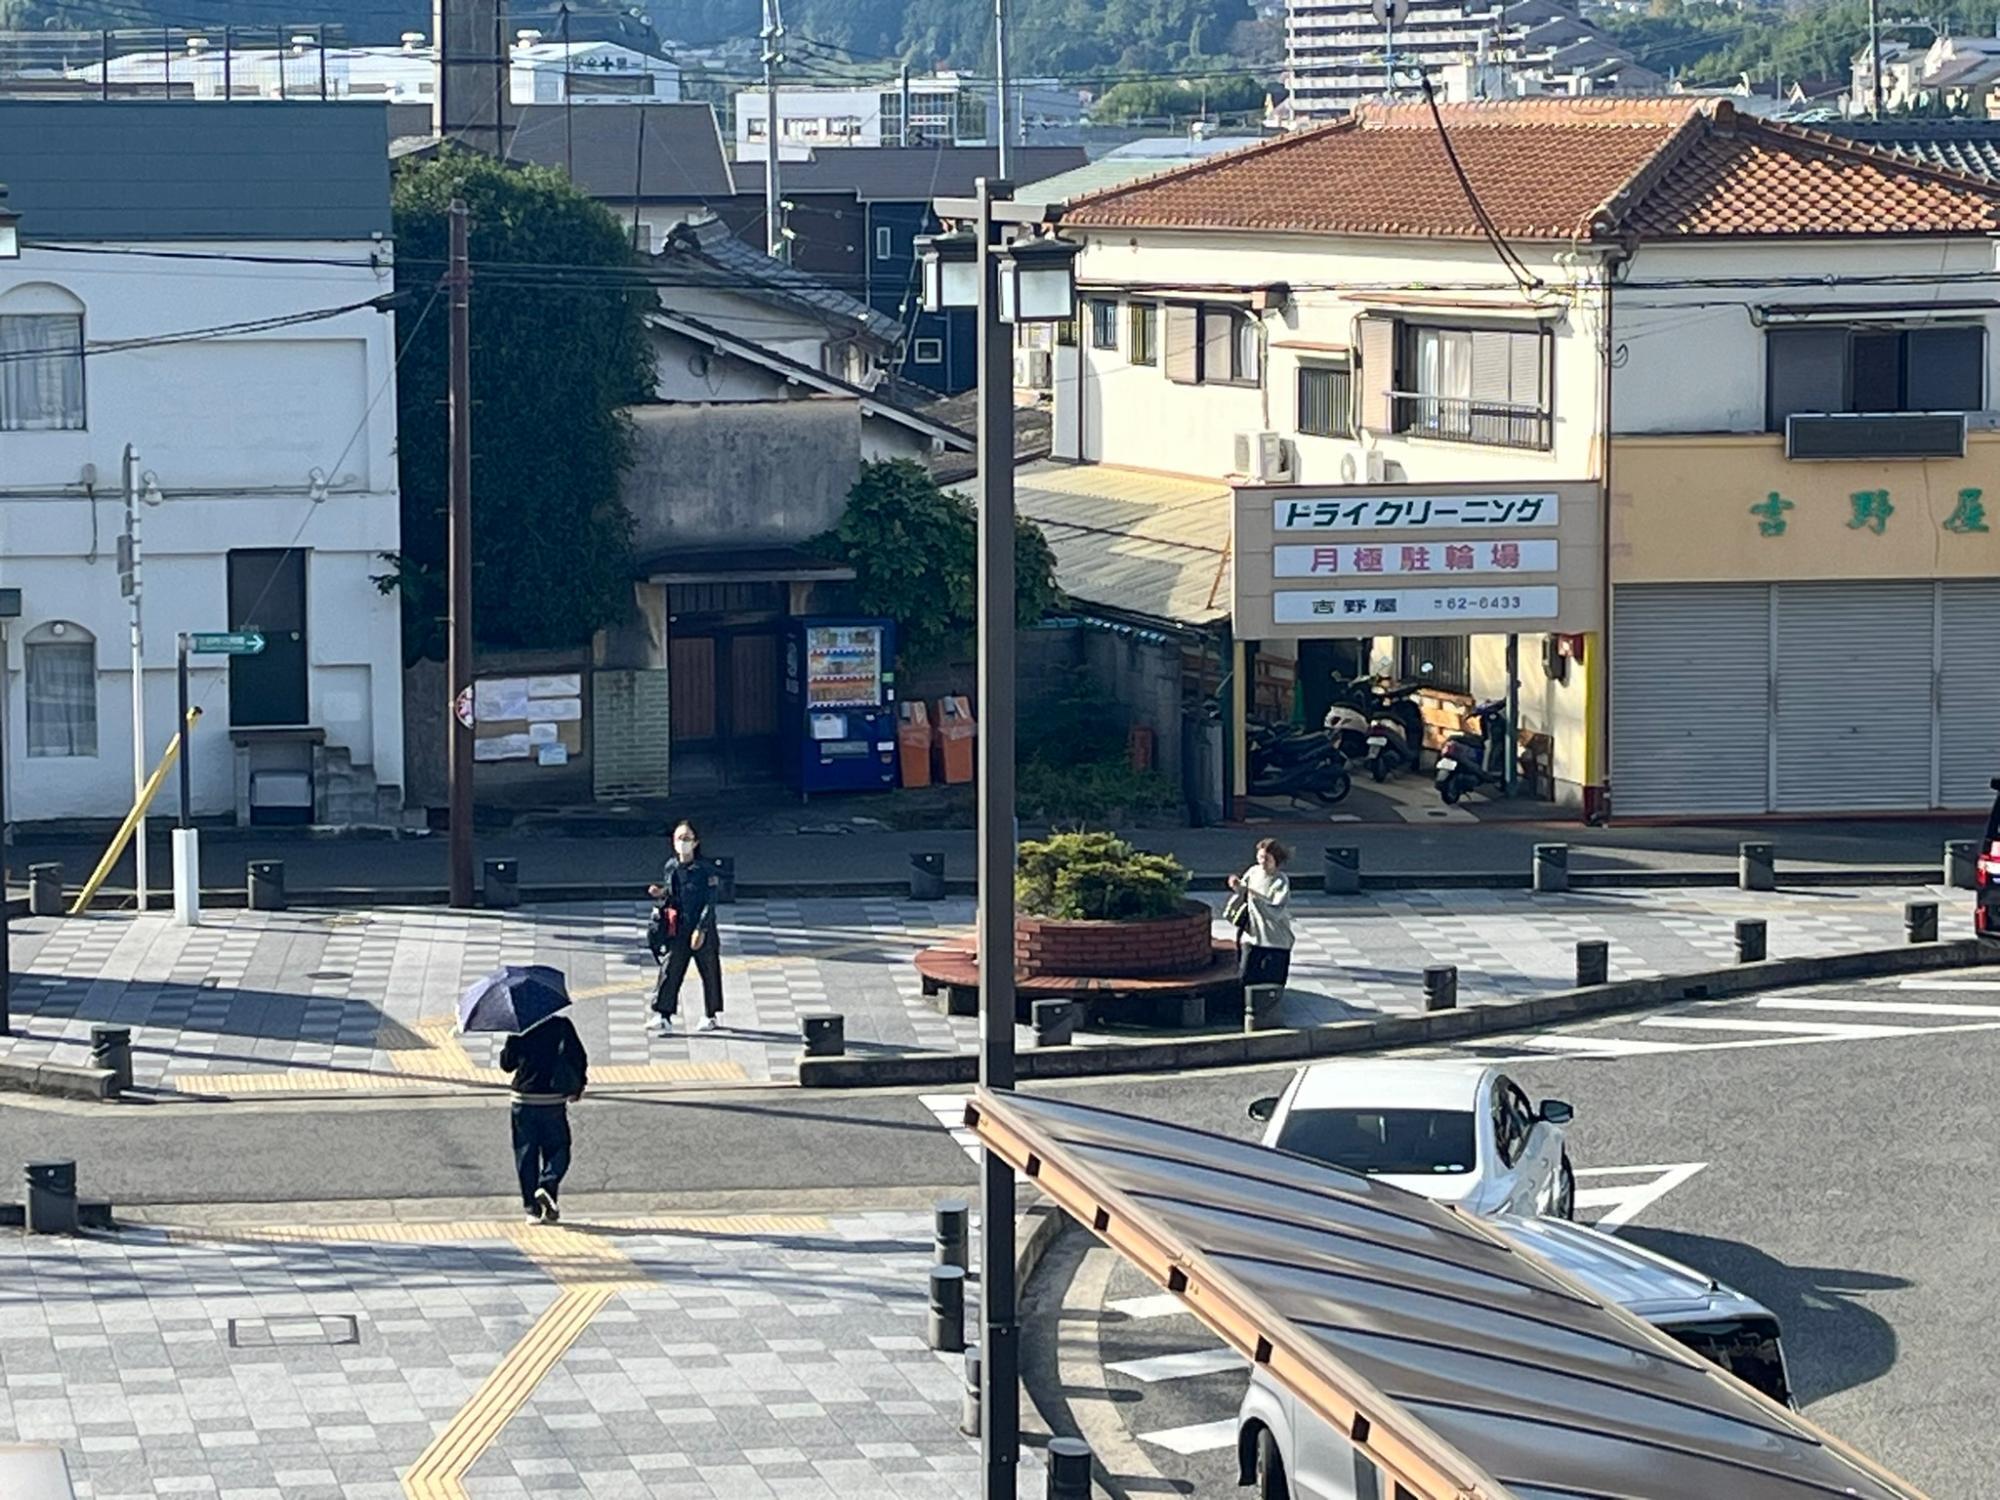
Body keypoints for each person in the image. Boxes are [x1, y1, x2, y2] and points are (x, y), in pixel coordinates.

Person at [499, 1011, 588, 1224]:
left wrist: (511, 1041)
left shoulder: (520, 1029)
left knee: (526, 1152)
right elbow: (578, 1058)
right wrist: (578, 1086)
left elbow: (507, 1064)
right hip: (552, 1098)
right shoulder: (561, 1026)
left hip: (523, 1098)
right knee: (559, 1147)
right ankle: (547, 1185)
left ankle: (532, 1208)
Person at [647, 820, 725, 1034]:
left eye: (687, 838)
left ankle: (711, 1014)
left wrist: (701, 929)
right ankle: (663, 1014)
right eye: (679, 838)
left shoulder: (705, 871)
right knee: (670, 970)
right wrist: (661, 893)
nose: (683, 843)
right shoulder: (671, 866)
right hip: (678, 928)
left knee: (709, 972)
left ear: (696, 842)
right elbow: (673, 894)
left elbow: (710, 903)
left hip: (701, 930)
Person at [1228, 837, 1295, 995]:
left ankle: (1269, 1012)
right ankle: (1245, 1009)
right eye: (1260, 857)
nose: (1262, 861)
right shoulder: (1253, 872)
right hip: (1252, 935)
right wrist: (1237, 886)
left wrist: (1253, 895)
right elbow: (1243, 892)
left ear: (1276, 860)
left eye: (1266, 858)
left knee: (1273, 981)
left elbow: (1275, 909)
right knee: (1246, 976)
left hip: (1275, 938)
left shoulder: (1280, 881)